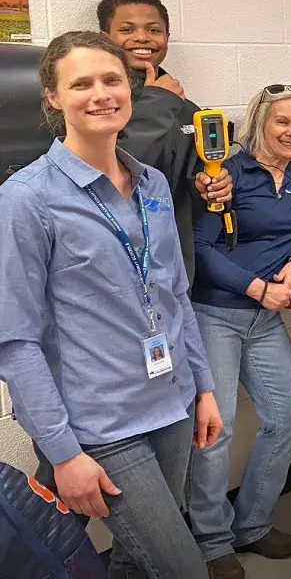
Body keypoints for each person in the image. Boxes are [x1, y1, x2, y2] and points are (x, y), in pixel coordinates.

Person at [0, 30, 221, 579]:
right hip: (101, 423)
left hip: (171, 404)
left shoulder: (150, 185)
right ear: (53, 97)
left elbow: (173, 296)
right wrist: (62, 452)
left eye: (111, 80)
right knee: (182, 567)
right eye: (81, 83)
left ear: (130, 89)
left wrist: (205, 387)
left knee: (133, 561)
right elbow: (15, 340)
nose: (100, 94)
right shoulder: (27, 199)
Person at [186, 84, 291, 578]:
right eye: (281, 121)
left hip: (265, 322)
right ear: (259, 123)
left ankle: (254, 526)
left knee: (287, 417)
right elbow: (202, 250)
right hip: (216, 313)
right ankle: (213, 541)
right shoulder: (225, 176)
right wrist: (259, 288)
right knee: (213, 432)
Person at [98, 0, 232, 285]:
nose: (143, 37)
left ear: (167, 39)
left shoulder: (186, 110)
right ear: (104, 38)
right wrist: (157, 104)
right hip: (113, 265)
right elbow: (108, 180)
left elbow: (187, 194)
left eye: (154, 30)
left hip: (174, 265)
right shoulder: (96, 104)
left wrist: (209, 188)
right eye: (127, 29)